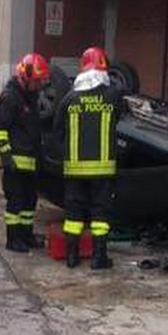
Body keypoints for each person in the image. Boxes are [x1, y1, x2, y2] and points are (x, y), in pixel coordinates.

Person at [55, 46, 123, 270]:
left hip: (74, 170)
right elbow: (120, 114)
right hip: (102, 171)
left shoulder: (68, 100)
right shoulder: (112, 96)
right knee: (100, 215)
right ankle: (98, 258)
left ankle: (72, 258)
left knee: (73, 215)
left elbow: (58, 133)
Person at [0, 53, 50, 253]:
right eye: (36, 81)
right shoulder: (11, 97)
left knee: (29, 202)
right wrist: (7, 157)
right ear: (25, 77)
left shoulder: (31, 97)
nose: (39, 85)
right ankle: (13, 239)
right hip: (15, 163)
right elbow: (0, 130)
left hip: (30, 162)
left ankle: (26, 236)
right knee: (15, 203)